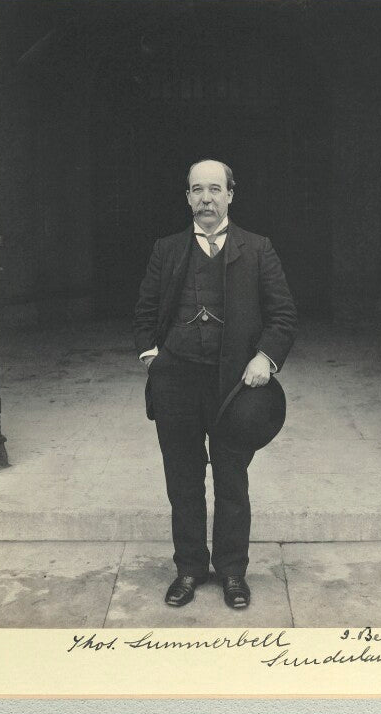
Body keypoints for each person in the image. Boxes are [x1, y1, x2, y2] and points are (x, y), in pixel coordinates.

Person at [133, 159, 297, 609]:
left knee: (231, 483)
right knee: (182, 483)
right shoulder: (167, 250)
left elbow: (283, 315)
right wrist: (153, 359)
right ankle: (189, 569)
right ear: (187, 197)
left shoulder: (258, 249)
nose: (206, 198)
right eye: (197, 190)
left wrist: (265, 358)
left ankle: (232, 572)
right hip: (176, 385)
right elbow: (145, 313)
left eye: (215, 189)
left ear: (230, 194)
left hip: (234, 390)